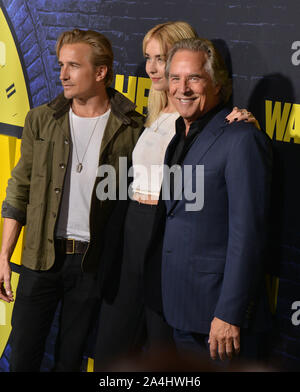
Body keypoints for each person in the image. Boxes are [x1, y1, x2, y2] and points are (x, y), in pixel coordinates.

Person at [94, 21, 259, 370]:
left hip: (191, 280)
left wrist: (228, 312)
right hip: (147, 258)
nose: (156, 69)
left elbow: (246, 232)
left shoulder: (228, 132)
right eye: (150, 59)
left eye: (162, 58)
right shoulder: (162, 123)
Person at [0, 28, 143, 372]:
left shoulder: (133, 128)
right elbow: (19, 190)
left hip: (91, 265)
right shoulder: (41, 119)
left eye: (73, 66)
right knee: (22, 358)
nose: (62, 74)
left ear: (100, 72)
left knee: (70, 359)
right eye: (61, 64)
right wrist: (4, 255)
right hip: (39, 258)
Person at [151, 37, 273, 363]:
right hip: (179, 309)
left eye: (194, 78)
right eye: (175, 78)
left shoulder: (242, 139)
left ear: (216, 82)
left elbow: (248, 234)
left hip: (218, 320)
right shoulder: (179, 134)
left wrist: (229, 313)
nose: (182, 88)